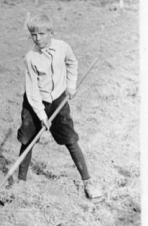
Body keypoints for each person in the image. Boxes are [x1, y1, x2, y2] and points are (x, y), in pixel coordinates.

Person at [14, 14, 103, 200]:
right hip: (35, 103)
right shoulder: (31, 58)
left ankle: (88, 181)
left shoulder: (63, 47)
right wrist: (41, 116)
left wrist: (71, 85)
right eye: (33, 35)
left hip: (59, 100)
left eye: (42, 34)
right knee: (28, 140)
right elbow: (31, 91)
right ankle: (20, 182)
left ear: (51, 32)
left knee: (70, 139)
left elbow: (72, 63)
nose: (37, 38)